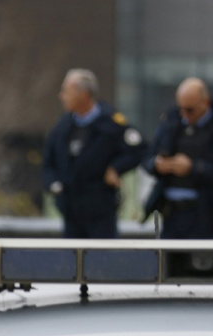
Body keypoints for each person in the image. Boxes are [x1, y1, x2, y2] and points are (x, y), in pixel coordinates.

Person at [41, 69, 146, 238]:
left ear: (83, 94)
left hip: (100, 211)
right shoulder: (63, 126)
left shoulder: (111, 123)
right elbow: (48, 161)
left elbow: (139, 149)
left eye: (66, 92)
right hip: (71, 211)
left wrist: (115, 168)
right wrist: (54, 185)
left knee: (101, 254)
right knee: (72, 254)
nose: (62, 96)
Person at [142, 77, 213, 239]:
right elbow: (147, 156)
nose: (184, 114)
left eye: (190, 110)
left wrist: (193, 168)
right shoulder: (171, 120)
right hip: (170, 214)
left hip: (206, 216)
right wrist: (157, 164)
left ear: (205, 103)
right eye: (180, 108)